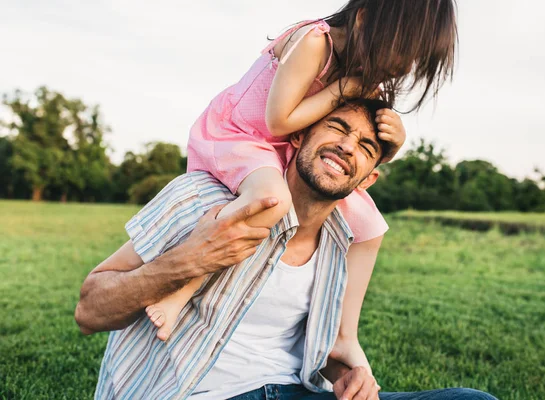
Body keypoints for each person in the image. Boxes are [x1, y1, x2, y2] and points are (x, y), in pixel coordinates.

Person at [75, 99, 496, 400]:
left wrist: (350, 376)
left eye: (366, 148)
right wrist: (187, 261)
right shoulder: (203, 199)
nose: (349, 147)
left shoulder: (343, 242)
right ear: (299, 133)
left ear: (367, 180)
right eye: (337, 128)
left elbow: (329, 347)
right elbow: (90, 311)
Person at [146, 0, 458, 376]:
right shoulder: (315, 43)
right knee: (271, 201)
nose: (404, 66)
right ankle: (183, 290)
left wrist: (395, 142)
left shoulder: (363, 70)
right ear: (363, 20)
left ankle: (345, 335)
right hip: (241, 136)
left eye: (416, 59)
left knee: (371, 225)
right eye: (403, 50)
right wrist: (343, 88)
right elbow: (278, 121)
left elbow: (359, 144)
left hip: (285, 148)